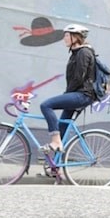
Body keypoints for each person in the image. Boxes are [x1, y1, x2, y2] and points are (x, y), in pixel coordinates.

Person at [39, 23, 96, 154]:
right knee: (62, 127)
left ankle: (55, 141)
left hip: (83, 95)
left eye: (66, 35)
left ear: (75, 37)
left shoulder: (84, 53)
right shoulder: (75, 53)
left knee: (46, 105)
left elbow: (78, 78)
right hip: (77, 94)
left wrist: (66, 94)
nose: (64, 38)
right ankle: (56, 167)